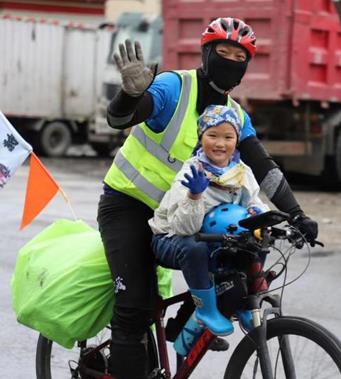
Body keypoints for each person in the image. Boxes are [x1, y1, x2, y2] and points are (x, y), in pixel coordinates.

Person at [97, 17, 318, 379]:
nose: (230, 60)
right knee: (135, 305)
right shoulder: (173, 87)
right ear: (205, 53)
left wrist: (296, 214)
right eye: (222, 52)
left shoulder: (234, 116)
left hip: (185, 214)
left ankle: (185, 331)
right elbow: (120, 118)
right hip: (129, 207)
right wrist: (131, 94)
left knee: (237, 272)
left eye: (239, 56)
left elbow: (264, 168)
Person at [149, 104, 268, 355]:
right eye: (212, 135)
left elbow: (255, 201)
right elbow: (184, 228)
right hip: (172, 238)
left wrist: (260, 216)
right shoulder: (192, 170)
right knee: (195, 246)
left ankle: (246, 301)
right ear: (201, 136)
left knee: (259, 236)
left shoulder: (242, 172)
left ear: (236, 140)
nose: (220, 144)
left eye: (228, 137)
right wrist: (194, 195)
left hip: (218, 236)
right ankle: (205, 309)